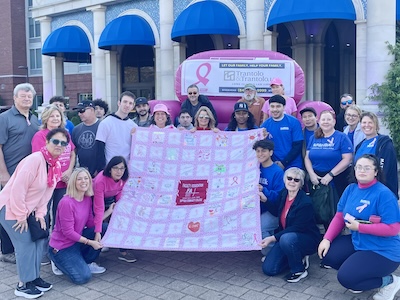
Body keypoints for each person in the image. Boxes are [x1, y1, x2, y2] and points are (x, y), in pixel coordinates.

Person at [318, 154, 400, 299]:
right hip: (359, 242)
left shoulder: (384, 194)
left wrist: (360, 227)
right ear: (354, 170)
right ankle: (360, 275)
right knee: (328, 256)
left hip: (383, 250)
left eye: (367, 168)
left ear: (376, 172)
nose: (362, 171)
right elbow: (339, 216)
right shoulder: (350, 189)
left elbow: (393, 229)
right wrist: (327, 239)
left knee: (346, 278)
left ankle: (390, 281)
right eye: (359, 167)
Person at [0, 128, 69, 298]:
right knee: (25, 244)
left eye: (63, 143)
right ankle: (23, 285)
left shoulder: (55, 164)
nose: (59, 145)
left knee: (39, 240)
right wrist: (21, 215)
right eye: (56, 141)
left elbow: (47, 192)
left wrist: (40, 214)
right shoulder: (34, 160)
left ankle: (34, 278)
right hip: (10, 207)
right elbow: (18, 189)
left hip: (28, 210)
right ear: (47, 142)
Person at [0, 83, 40, 264]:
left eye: (29, 96)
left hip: (28, 176)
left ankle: (21, 246)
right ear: (15, 98)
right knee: (6, 212)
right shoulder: (5, 118)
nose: (26, 99)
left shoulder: (35, 119)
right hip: (9, 173)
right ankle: (7, 250)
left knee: (22, 210)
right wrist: (3, 173)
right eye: (22, 96)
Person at [48, 168, 109, 284]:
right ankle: (57, 261)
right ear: (73, 182)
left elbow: (91, 223)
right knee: (83, 278)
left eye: (86, 178)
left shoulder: (87, 198)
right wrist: (91, 242)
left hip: (77, 241)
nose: (83, 181)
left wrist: (98, 231)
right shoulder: (66, 202)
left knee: (103, 228)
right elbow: (68, 232)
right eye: (79, 179)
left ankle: (84, 262)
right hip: (62, 247)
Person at [260, 167, 320, 283]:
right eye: (289, 178)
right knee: (269, 269)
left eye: (296, 180)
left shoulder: (305, 202)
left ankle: (299, 270)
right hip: (287, 238)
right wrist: (265, 200)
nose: (292, 182)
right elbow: (275, 211)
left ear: (301, 183)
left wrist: (272, 238)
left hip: (305, 238)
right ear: (285, 179)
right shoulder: (284, 194)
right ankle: (296, 257)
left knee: (287, 238)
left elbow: (297, 227)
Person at [32, 105, 76, 225]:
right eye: (52, 116)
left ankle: (58, 239)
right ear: (46, 118)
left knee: (61, 212)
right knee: (43, 213)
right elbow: (40, 159)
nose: (55, 118)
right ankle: (44, 240)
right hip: (47, 181)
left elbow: (72, 153)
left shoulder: (65, 134)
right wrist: (57, 173)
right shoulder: (40, 135)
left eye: (58, 116)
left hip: (64, 182)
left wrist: (69, 171)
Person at [93, 156, 136, 263]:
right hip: (95, 198)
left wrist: (119, 204)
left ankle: (123, 251)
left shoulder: (124, 178)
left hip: (111, 198)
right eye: (115, 168)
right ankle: (96, 250)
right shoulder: (101, 181)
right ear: (110, 169)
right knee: (98, 221)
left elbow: (119, 191)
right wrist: (97, 231)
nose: (119, 171)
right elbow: (99, 208)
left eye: (122, 168)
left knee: (122, 216)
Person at [304, 110, 353, 202]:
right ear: (319, 121)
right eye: (323, 119)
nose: (326, 122)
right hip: (316, 179)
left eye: (328, 119)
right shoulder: (313, 137)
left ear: (334, 122)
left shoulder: (342, 137)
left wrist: (330, 174)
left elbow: (347, 159)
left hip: (337, 179)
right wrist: (311, 174)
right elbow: (307, 158)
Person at [354, 111, 398, 197]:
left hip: (380, 191)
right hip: (362, 190)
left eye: (370, 122)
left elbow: (385, 169)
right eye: (364, 122)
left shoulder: (384, 143)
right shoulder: (360, 145)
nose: (367, 125)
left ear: (376, 125)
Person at [253, 139, 284, 258]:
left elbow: (279, 196)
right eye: (258, 151)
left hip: (272, 210)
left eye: (264, 151)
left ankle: (272, 255)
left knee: (261, 227)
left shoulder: (277, 172)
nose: (260, 154)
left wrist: (263, 191)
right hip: (256, 209)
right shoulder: (254, 168)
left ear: (271, 153)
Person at [96, 91, 138, 169]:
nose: (127, 105)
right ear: (119, 103)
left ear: (133, 106)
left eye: (130, 103)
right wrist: (101, 170)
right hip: (110, 168)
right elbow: (99, 148)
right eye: (125, 102)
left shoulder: (134, 126)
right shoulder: (106, 123)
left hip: (126, 169)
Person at [260, 95, 303, 170]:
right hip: (273, 164)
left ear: (284, 107)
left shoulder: (293, 122)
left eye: (278, 106)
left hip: (293, 164)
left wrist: (284, 163)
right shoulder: (265, 125)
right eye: (272, 106)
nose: (275, 109)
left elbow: (298, 145)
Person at [72, 101, 101, 177]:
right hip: (81, 173)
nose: (79, 114)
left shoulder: (103, 126)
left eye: (82, 111)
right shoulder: (76, 129)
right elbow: (73, 152)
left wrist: (100, 169)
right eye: (78, 112)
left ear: (91, 110)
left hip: (100, 173)